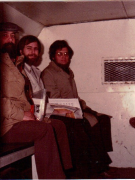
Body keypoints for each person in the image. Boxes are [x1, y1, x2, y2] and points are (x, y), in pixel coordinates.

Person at [0, 22, 67, 179]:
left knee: (57, 124)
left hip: (15, 120)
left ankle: (64, 172)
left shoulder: (12, 64)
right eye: (5, 36)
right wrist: (21, 115)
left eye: (12, 36)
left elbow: (21, 97)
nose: (10, 40)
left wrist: (34, 114)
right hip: (3, 126)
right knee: (44, 130)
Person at [41, 40, 114, 178]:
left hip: (74, 108)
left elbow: (75, 96)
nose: (63, 57)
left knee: (103, 119)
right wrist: (76, 107)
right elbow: (53, 100)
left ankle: (100, 164)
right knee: (85, 124)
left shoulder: (68, 72)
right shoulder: (48, 73)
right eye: (59, 54)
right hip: (59, 112)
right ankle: (95, 168)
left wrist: (88, 108)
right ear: (52, 56)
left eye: (66, 54)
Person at [16, 35, 72, 171]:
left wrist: (57, 111)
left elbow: (40, 100)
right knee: (55, 126)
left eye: (36, 49)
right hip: (23, 115)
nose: (33, 52)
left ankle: (65, 170)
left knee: (60, 124)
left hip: (38, 113)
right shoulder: (18, 71)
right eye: (29, 48)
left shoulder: (36, 71)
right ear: (21, 51)